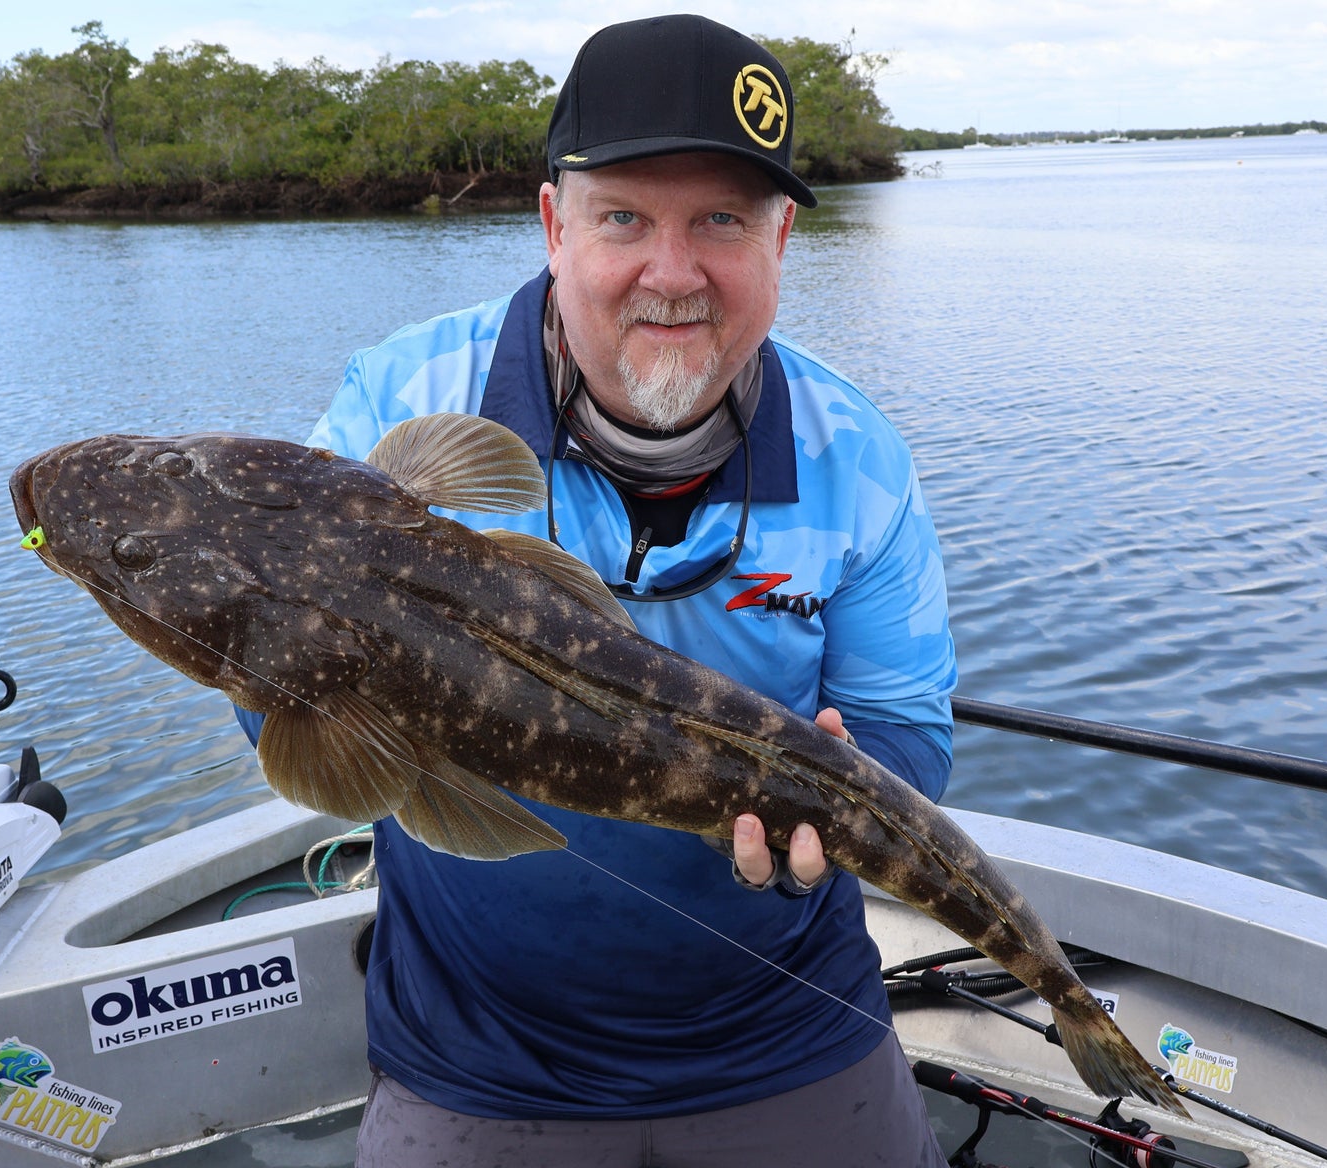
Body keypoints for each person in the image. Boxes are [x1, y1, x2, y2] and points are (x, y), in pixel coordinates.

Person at [269, 14, 957, 1166]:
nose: (672, 273)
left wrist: (849, 797)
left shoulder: (859, 457)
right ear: (553, 225)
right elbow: (282, 691)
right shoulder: (402, 399)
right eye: (625, 217)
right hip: (476, 1053)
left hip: (788, 1026)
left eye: (722, 221)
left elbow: (906, 737)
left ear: (782, 238)